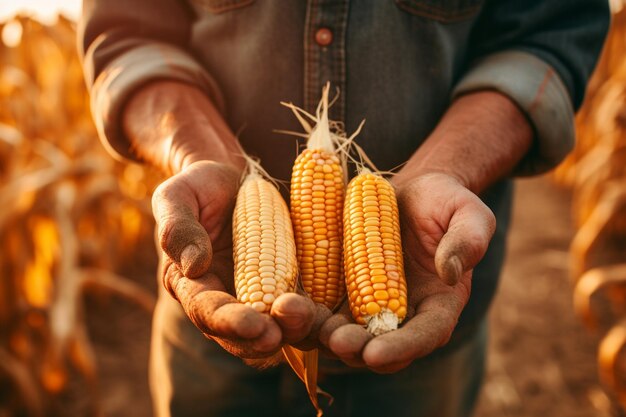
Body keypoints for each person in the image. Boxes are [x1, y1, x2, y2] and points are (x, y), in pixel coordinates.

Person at [78, 1, 610, 416]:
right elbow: (127, 33)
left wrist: (441, 170)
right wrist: (202, 154)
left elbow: (548, 36)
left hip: (428, 335)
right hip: (210, 327)